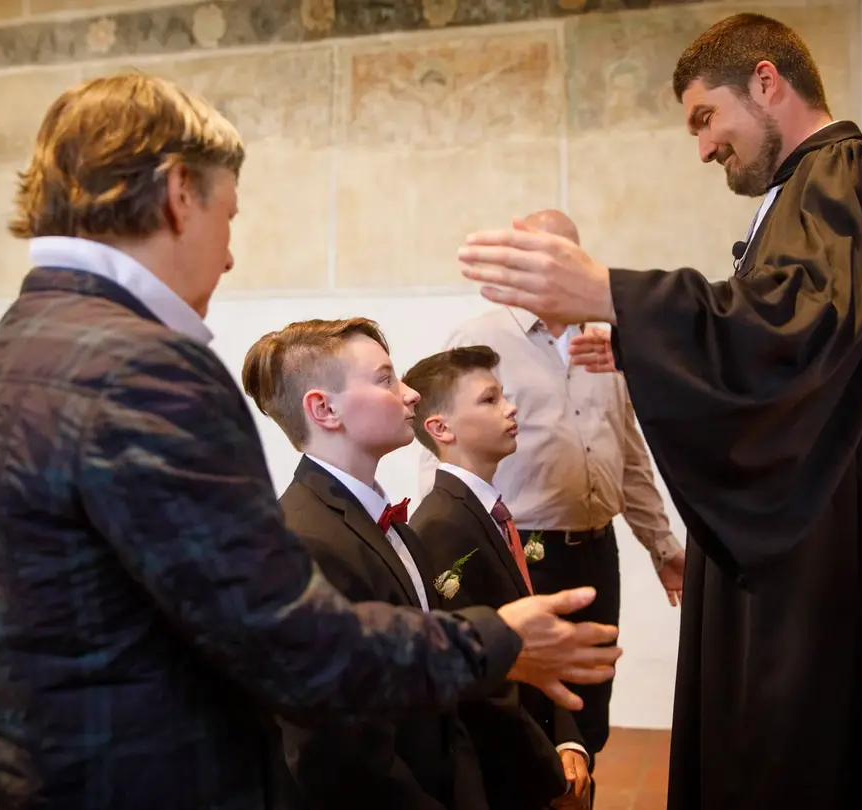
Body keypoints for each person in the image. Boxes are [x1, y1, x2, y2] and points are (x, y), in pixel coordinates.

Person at [0, 72, 620, 810]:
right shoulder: (147, 368)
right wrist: (496, 642)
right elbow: (288, 644)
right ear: (178, 194)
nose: (228, 259)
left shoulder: (6, 349)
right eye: (228, 218)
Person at [455, 12, 862, 810]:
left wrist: (611, 293)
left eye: (706, 118)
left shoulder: (851, 171)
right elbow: (784, 343)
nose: (702, 147)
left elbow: (800, 330)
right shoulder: (812, 188)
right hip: (824, 546)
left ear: (767, 81)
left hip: (838, 563)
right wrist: (641, 344)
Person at [420, 209, 685, 759]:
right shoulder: (481, 340)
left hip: (596, 549)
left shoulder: (606, 343)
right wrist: (435, 552)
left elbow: (628, 450)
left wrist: (661, 546)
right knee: (531, 712)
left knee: (591, 703)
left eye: (568, 257)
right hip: (523, 552)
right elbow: (441, 448)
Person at [242, 317, 489, 810]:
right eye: (385, 379)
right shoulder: (307, 541)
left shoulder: (392, 524)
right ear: (324, 409)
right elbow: (335, 755)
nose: (411, 393)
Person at [406, 346, 591, 810]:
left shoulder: (490, 513)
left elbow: (534, 642)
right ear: (441, 428)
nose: (510, 408)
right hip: (508, 774)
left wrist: (569, 740)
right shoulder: (442, 526)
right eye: (489, 400)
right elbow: (482, 682)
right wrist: (550, 771)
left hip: (540, 741)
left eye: (504, 396)